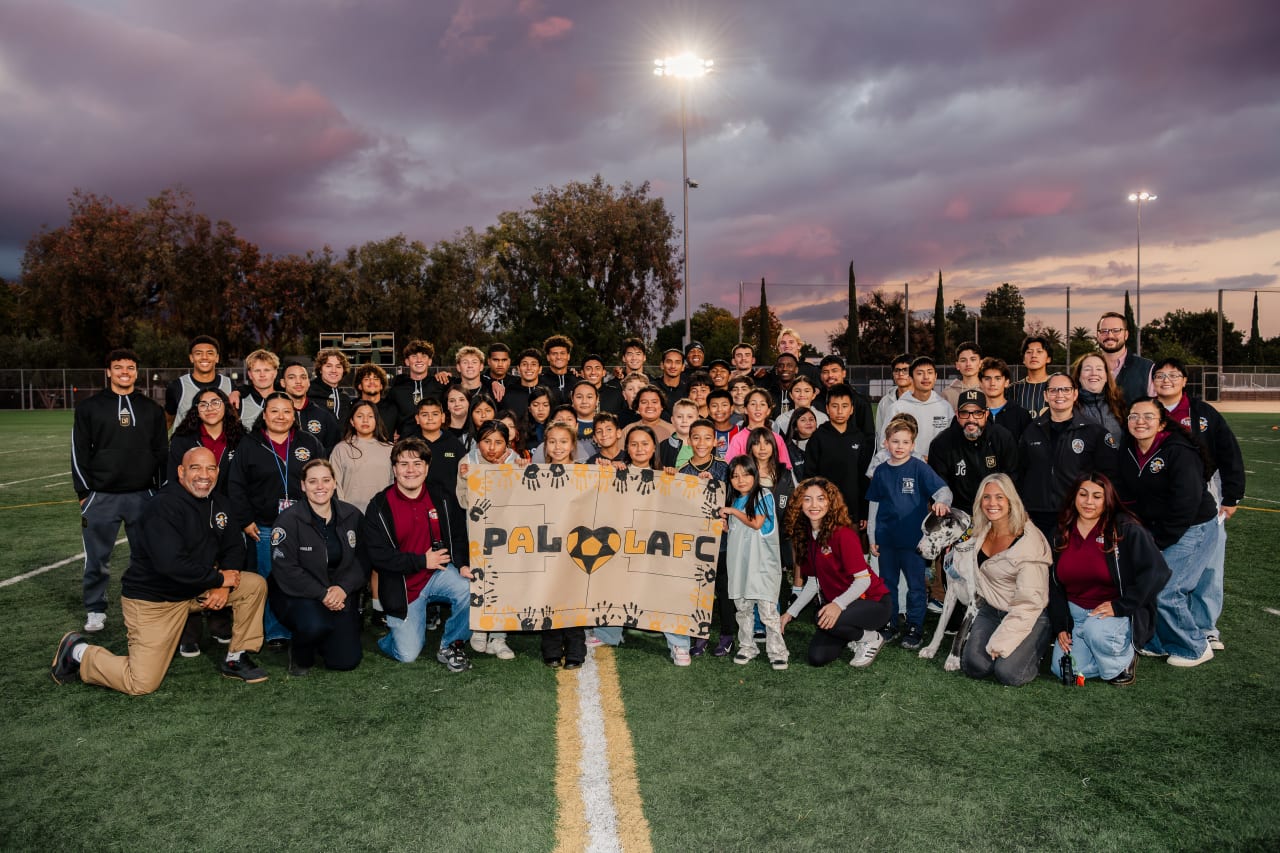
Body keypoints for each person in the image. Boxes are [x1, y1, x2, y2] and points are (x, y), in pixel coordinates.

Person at [52, 447, 269, 693]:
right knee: (141, 682)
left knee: (254, 585)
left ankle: (236, 657)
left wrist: (222, 584)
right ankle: (78, 652)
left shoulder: (220, 502)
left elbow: (234, 548)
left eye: (210, 468)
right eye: (195, 468)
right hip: (155, 601)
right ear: (181, 472)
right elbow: (171, 565)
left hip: (195, 590)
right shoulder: (163, 505)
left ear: (218, 471)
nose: (204, 475)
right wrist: (218, 577)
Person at [1116, 398, 1219, 666]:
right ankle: (1162, 642)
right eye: (1134, 416)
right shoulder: (1128, 449)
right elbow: (1125, 494)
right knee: (1149, 584)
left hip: (1192, 528)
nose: (1140, 422)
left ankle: (1195, 646)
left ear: (1161, 423)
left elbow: (1185, 504)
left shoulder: (1179, 450)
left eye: (1148, 417)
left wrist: (1158, 541)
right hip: (1158, 529)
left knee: (1167, 589)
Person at [71, 348, 168, 634]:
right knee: (97, 558)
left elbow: (162, 453)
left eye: (130, 367)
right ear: (109, 372)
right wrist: (84, 492)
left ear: (137, 372)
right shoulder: (89, 408)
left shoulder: (151, 409)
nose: (124, 371)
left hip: (143, 496)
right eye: (118, 367)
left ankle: (146, 604)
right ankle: (95, 609)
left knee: (147, 555)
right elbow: (79, 451)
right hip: (102, 496)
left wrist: (159, 492)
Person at [1151, 357, 1244, 651]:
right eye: (1160, 375)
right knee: (1167, 563)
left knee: (1209, 563)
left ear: (1184, 380)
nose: (1166, 380)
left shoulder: (1202, 413)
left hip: (1204, 494)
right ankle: (1164, 628)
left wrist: (1231, 496)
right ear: (1152, 382)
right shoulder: (1145, 411)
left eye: (1173, 375)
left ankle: (1205, 626)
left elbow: (1229, 453)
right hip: (1160, 495)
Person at [361, 438, 474, 671]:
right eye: (403, 464)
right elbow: (378, 556)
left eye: (417, 463)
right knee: (407, 655)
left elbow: (458, 535)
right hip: (402, 586)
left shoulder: (440, 497)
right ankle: (395, 635)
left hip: (437, 573)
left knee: (470, 588)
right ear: (394, 469)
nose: (410, 470)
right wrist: (422, 560)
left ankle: (451, 645)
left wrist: (462, 564)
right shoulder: (379, 506)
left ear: (427, 467)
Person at [1048, 472, 1170, 686]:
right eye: (1083, 494)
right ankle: (1100, 655)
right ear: (1073, 497)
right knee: (1064, 670)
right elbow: (1054, 585)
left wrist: (1121, 606)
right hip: (1075, 614)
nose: (1088, 502)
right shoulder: (1061, 531)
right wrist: (1061, 625)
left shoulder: (1124, 529)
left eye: (1097, 496)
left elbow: (1157, 571)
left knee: (1097, 633)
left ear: (1107, 500)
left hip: (1112, 613)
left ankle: (1122, 661)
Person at [226, 391, 326, 645]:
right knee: (270, 579)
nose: (281, 416)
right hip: (264, 526)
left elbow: (322, 480)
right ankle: (276, 631)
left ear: (294, 415)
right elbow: (236, 485)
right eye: (274, 411)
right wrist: (246, 520)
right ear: (264, 414)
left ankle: (306, 626)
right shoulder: (250, 443)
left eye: (286, 411)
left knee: (305, 578)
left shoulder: (309, 442)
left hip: (305, 525)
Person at [588, 426, 693, 666]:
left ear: (654, 447)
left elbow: (688, 501)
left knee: (667, 589)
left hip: (657, 547)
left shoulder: (665, 475)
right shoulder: (616, 472)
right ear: (626, 448)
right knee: (614, 585)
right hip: (623, 544)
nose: (639, 449)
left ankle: (679, 643)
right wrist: (604, 470)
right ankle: (608, 634)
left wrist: (681, 480)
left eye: (645, 443)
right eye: (634, 444)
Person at [952, 473, 1053, 687]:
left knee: (1008, 673)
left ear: (1011, 501)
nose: (992, 503)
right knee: (974, 666)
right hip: (992, 608)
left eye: (999, 497)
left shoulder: (1028, 544)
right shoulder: (982, 531)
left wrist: (1002, 640)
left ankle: (1037, 647)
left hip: (1028, 613)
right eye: (986, 497)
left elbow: (1028, 604)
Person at [267, 459, 366, 675]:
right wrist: (322, 594)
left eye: (325, 480)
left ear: (334, 484)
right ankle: (301, 654)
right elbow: (286, 568)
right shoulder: (288, 520)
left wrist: (342, 588)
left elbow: (363, 559)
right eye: (313, 481)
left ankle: (325, 638)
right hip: (298, 593)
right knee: (314, 625)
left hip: (338, 591)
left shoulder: (352, 515)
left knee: (345, 661)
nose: (320, 487)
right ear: (303, 485)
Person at [781, 478, 892, 668]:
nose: (814, 505)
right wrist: (790, 613)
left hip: (873, 603)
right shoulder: (806, 536)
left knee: (820, 616)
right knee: (817, 657)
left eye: (820, 499)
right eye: (807, 499)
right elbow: (814, 581)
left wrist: (837, 605)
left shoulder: (843, 534)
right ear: (799, 503)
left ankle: (870, 637)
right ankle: (851, 633)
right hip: (844, 608)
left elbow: (863, 581)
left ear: (830, 502)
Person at [166, 387, 244, 656]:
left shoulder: (239, 437)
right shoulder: (182, 439)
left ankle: (219, 621)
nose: (210, 408)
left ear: (225, 406)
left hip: (226, 510)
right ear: (196, 409)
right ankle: (189, 631)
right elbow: (172, 478)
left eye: (216, 402)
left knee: (222, 559)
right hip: (192, 507)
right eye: (203, 403)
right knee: (192, 561)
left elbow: (244, 478)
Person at [865, 416, 953, 649]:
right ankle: (889, 623)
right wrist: (872, 537)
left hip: (914, 542)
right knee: (887, 584)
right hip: (887, 540)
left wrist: (942, 502)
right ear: (886, 443)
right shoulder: (881, 471)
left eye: (905, 442)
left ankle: (915, 626)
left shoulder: (919, 468)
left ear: (913, 445)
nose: (900, 446)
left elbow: (944, 490)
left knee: (916, 585)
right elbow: (873, 506)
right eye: (895, 441)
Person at [1016, 373, 1119, 537]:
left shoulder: (1094, 431)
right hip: (1036, 515)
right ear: (1045, 395)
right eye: (1054, 390)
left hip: (1076, 514)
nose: (1059, 395)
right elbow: (1020, 472)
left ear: (1075, 394)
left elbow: (1108, 476)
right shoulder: (1031, 430)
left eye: (1065, 389)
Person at [457, 419, 524, 662]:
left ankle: (499, 636)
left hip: (507, 535)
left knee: (503, 581)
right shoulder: (468, 462)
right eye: (487, 441)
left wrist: (522, 472)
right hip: (478, 533)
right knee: (480, 577)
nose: (492, 448)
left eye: (499, 442)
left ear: (508, 444)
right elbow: (463, 502)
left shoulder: (515, 461)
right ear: (478, 441)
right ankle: (480, 627)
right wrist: (467, 480)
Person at [721, 456, 788, 670]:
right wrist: (726, 524)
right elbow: (738, 532)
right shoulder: (735, 501)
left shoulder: (763, 494)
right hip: (740, 566)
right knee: (743, 609)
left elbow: (757, 523)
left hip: (762, 567)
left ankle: (777, 651)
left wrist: (732, 512)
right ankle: (747, 646)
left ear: (755, 475)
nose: (741, 480)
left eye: (746, 474)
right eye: (735, 476)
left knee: (768, 611)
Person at [927, 389, 1020, 518]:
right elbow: (938, 484)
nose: (971, 419)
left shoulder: (1002, 438)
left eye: (977, 413)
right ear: (957, 414)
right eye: (965, 413)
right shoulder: (942, 444)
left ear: (986, 413)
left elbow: (1012, 478)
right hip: (957, 515)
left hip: (995, 512)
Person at [804, 383, 873, 524]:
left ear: (852, 409)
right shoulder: (818, 437)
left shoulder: (858, 437)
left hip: (852, 509)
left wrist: (864, 511)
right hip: (824, 508)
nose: (840, 411)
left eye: (845, 406)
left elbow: (863, 477)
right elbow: (809, 476)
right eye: (835, 406)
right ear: (828, 409)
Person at [885, 356, 953, 458]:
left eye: (930, 372)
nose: (926, 377)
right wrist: (918, 459)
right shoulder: (897, 408)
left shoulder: (945, 407)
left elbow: (951, 441)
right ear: (911, 378)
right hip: (906, 466)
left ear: (935, 377)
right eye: (920, 373)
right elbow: (885, 442)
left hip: (938, 467)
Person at [165, 335, 233, 432]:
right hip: (185, 446)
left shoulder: (230, 385)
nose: (204, 357)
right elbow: (168, 421)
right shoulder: (177, 386)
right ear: (191, 358)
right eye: (198, 353)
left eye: (210, 353)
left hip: (221, 445)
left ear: (217, 357)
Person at [387, 340, 449, 433]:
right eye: (414, 356)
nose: (419, 360)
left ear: (430, 361)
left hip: (434, 440)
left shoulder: (440, 383)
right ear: (407, 361)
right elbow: (388, 413)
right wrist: (392, 433)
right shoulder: (397, 387)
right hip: (406, 441)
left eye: (423, 356)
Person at [282, 361, 341, 453]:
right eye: (291, 377)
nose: (298, 382)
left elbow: (333, 449)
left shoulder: (323, 415)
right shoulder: (275, 415)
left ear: (309, 383)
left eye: (303, 377)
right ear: (283, 382)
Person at [1096, 311, 1153, 405]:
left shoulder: (1146, 368)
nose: (1110, 335)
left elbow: (1156, 407)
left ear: (1126, 335)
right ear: (1098, 335)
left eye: (1116, 330)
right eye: (1104, 331)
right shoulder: (1086, 369)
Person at [725, 388, 792, 467]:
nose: (758, 408)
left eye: (762, 404)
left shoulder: (777, 438)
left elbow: (786, 468)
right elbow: (730, 468)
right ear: (745, 409)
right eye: (753, 404)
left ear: (768, 411)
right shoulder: (737, 439)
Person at [1071, 353, 1125, 445]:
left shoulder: (1118, 405)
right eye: (1087, 369)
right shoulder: (1070, 407)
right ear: (1079, 377)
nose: (1094, 373)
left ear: (1106, 377)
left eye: (1099, 369)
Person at [979, 357, 1031, 440]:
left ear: (1006, 382)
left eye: (998, 378)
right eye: (987, 378)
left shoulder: (1021, 415)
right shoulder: (973, 414)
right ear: (980, 383)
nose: (992, 383)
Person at [873, 353, 914, 442]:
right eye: (897, 370)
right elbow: (880, 433)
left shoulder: (921, 399)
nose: (900, 373)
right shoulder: (885, 401)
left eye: (905, 370)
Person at [307, 347, 355, 423]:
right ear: (320, 369)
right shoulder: (308, 392)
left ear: (343, 370)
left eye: (338, 366)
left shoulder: (345, 398)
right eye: (328, 366)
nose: (334, 370)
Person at [238, 349, 281, 430]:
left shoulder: (286, 399)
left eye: (267, 370)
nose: (262, 375)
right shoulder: (239, 402)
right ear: (250, 374)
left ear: (275, 373)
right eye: (257, 371)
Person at [1009, 335, 1052, 417]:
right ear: (1024, 360)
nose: (1033, 355)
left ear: (1048, 359)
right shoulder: (1012, 389)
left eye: (1039, 351)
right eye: (1029, 352)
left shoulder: (1058, 387)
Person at [942, 342, 983, 410]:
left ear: (980, 363)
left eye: (973, 359)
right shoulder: (947, 394)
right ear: (957, 365)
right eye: (963, 360)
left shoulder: (989, 391)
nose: (968, 364)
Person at [540, 335, 576, 405]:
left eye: (562, 353)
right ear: (548, 357)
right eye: (554, 354)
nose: (559, 357)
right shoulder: (540, 382)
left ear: (568, 356)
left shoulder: (578, 381)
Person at [656, 348, 688, 412]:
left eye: (677, 362)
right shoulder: (653, 388)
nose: (673, 366)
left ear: (683, 367)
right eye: (669, 362)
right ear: (662, 365)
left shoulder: (688, 390)